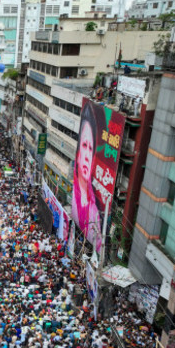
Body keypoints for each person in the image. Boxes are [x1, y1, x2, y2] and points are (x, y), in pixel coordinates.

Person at [72, 101, 102, 253]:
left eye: (90, 148)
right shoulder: (74, 198)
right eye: (84, 145)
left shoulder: (95, 214)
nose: (86, 155)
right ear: (78, 154)